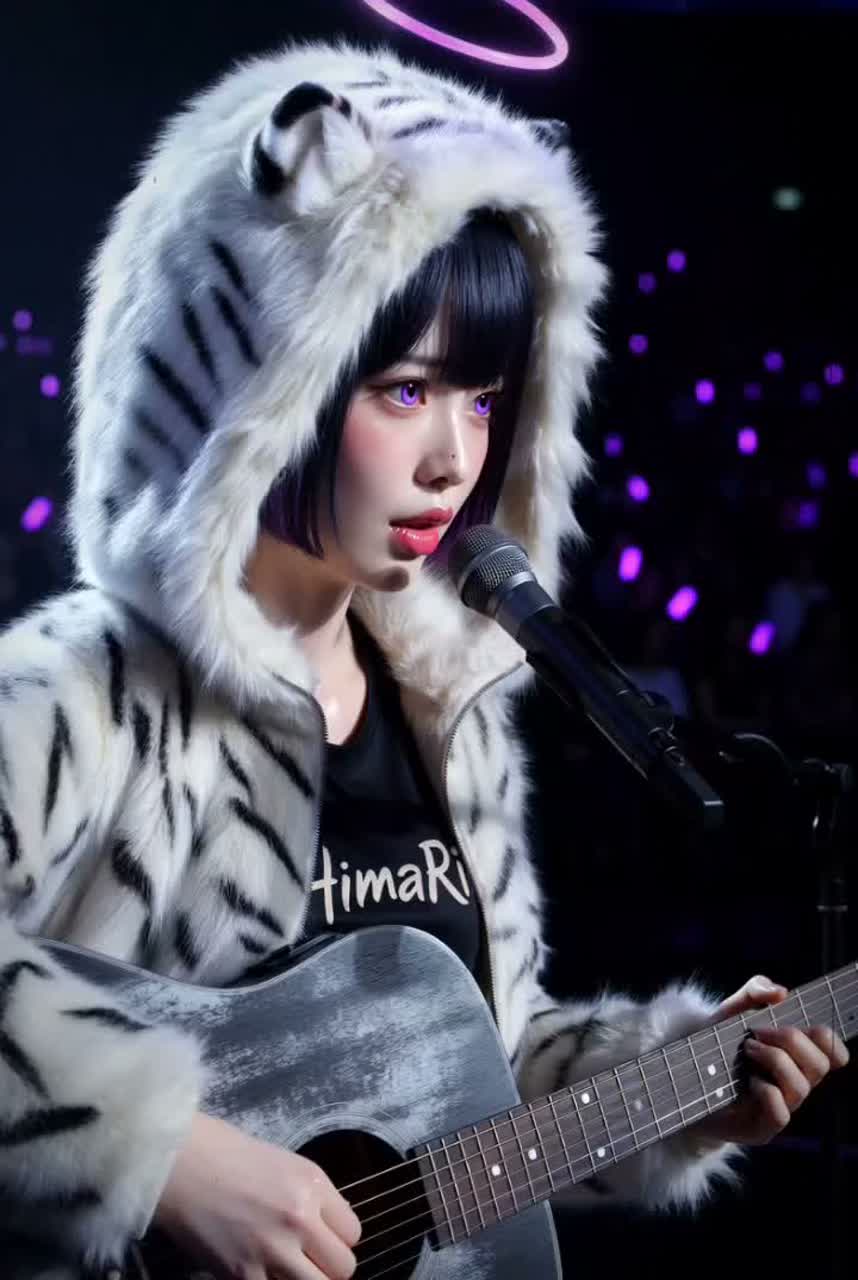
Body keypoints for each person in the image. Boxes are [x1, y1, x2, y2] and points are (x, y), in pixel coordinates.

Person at [0, 40, 848, 1280]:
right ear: (267, 381)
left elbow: (465, 1083)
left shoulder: (451, 715)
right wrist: (164, 1150)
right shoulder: (87, 691)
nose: (457, 458)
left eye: (484, 398)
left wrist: (680, 1085)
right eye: (405, 390)